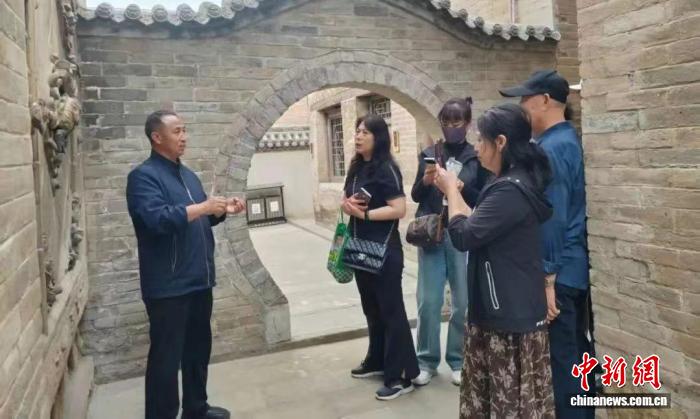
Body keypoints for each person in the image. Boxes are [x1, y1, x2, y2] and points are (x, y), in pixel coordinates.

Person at [434, 103, 555, 418]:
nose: (476, 147)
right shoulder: (507, 182)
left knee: (506, 403)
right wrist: (456, 193)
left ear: (500, 142)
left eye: (481, 139)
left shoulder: (509, 191)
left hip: (506, 318)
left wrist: (451, 190)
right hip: (506, 309)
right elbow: (477, 225)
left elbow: (464, 236)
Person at [126, 110, 245, 419]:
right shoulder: (143, 177)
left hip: (199, 279)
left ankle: (196, 408)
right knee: (166, 359)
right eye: (177, 131)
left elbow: (199, 218)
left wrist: (221, 210)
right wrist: (203, 207)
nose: (184, 137)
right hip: (168, 285)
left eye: (184, 131)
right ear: (156, 137)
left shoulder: (188, 175)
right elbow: (156, 220)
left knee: (197, 350)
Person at [501, 70, 595, 418]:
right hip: (569, 268)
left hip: (561, 274)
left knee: (563, 365)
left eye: (525, 99)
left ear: (544, 100)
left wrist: (547, 281)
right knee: (575, 356)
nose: (522, 107)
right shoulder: (561, 140)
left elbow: (553, 218)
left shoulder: (553, 149)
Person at [342, 114, 419, 401]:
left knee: (391, 311)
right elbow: (346, 199)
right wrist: (346, 204)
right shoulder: (357, 167)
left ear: (379, 137)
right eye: (357, 131)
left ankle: (400, 376)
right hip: (360, 248)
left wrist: (365, 215)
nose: (358, 136)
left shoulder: (387, 169)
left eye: (365, 132)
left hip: (384, 251)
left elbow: (399, 209)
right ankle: (376, 360)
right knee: (371, 309)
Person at [410, 97, 486, 387]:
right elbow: (415, 195)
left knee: (463, 302)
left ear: (467, 123)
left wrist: (461, 189)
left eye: (457, 122)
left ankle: (458, 359)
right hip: (432, 234)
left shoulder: (475, 157)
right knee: (428, 301)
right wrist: (426, 181)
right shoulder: (430, 153)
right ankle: (426, 361)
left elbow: (482, 197)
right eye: (446, 122)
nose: (451, 127)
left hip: (461, 233)